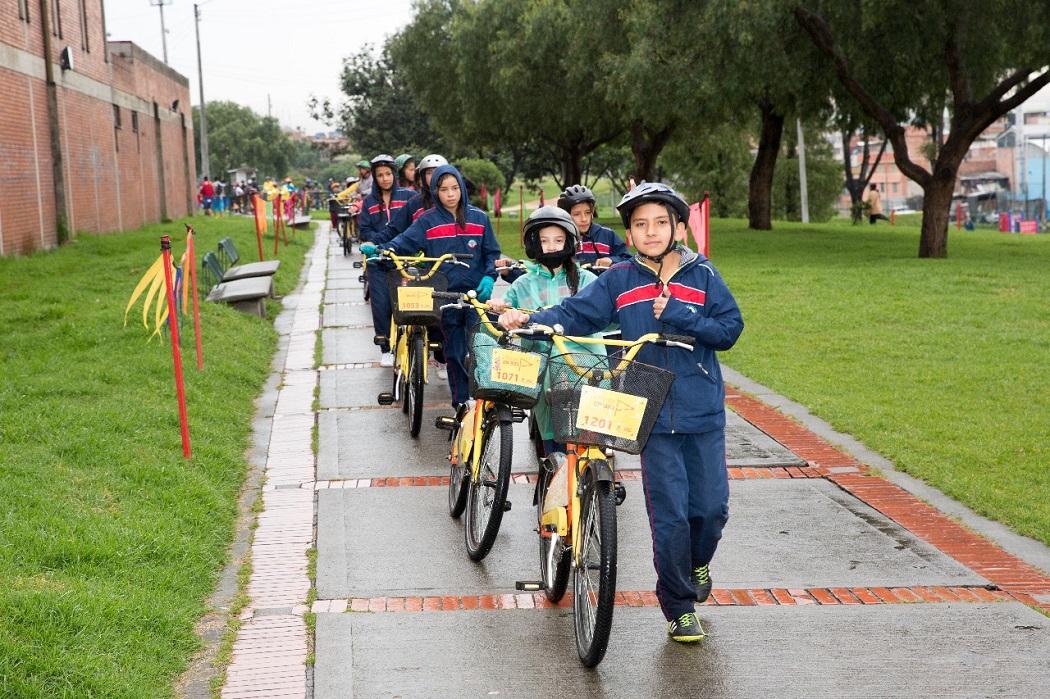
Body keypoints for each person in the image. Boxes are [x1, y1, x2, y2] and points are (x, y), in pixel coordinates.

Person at [498, 182, 744, 644]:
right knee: (669, 514)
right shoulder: (620, 280)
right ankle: (678, 604)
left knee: (710, 510)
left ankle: (697, 561)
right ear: (629, 233)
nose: (650, 232)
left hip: (702, 409)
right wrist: (529, 319)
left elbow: (730, 329)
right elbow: (575, 313)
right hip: (646, 407)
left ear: (676, 226)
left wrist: (682, 317)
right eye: (639, 224)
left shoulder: (703, 275)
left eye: (659, 222)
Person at [361, 164, 501, 407]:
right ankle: (461, 404)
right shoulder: (427, 221)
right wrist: (382, 250)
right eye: (444, 189)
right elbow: (403, 241)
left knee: (482, 351)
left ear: (461, 189)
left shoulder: (480, 219)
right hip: (444, 297)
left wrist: (489, 277)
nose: (450, 194)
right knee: (455, 354)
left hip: (476, 298)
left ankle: (487, 404)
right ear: (435, 191)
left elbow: (492, 253)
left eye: (455, 188)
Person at [488, 206, 601, 456]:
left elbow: (607, 315)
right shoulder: (523, 284)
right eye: (545, 240)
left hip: (584, 367)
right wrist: (504, 313)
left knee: (590, 443)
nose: (551, 246)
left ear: (570, 242)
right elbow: (507, 309)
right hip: (545, 374)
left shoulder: (587, 281)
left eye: (559, 240)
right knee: (554, 448)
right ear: (533, 244)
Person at [359, 154, 415, 367]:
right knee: (381, 305)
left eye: (388, 174)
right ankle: (385, 347)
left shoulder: (409, 197)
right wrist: (376, 244)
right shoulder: (369, 202)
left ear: (394, 174)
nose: (384, 179)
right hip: (377, 261)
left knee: (408, 303)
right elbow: (364, 230)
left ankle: (414, 343)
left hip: (404, 258)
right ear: (374, 177)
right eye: (380, 175)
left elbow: (415, 224)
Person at [557, 184, 631, 268]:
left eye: (588, 212)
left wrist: (612, 260)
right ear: (566, 216)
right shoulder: (559, 239)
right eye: (577, 214)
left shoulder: (608, 235)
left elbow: (628, 259)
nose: (584, 219)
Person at [386, 153, 448, 238]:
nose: (434, 176)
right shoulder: (415, 202)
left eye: (438, 171)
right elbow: (394, 229)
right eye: (429, 173)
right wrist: (373, 242)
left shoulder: (457, 201)